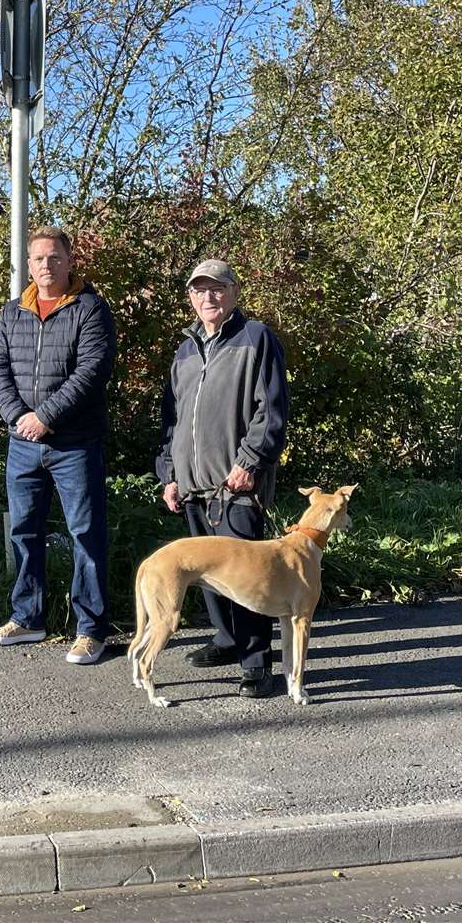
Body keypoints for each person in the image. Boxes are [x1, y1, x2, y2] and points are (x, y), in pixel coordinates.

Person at [0, 227, 117, 665]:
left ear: (70, 260)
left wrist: (46, 417)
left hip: (74, 444)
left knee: (85, 535)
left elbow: (92, 372)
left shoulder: (91, 310)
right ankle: (27, 619)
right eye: (38, 258)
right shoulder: (12, 312)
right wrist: (18, 417)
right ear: (29, 263)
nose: (46, 266)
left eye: (54, 258)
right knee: (24, 531)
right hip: (22, 442)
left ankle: (90, 630)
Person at [156, 259, 289, 699]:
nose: (208, 297)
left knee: (247, 577)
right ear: (191, 297)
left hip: (235, 485)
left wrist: (250, 462)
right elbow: (171, 420)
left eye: (217, 289)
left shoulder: (256, 339)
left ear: (233, 292)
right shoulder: (185, 349)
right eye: (199, 290)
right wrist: (170, 474)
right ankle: (227, 641)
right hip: (192, 485)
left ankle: (257, 665)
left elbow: (269, 412)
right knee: (207, 575)